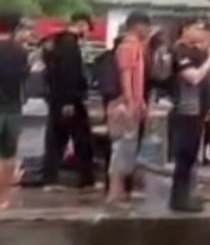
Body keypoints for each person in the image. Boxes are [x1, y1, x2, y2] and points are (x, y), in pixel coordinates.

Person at [169, 18, 210, 213]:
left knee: (192, 156)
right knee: (184, 156)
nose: (202, 32)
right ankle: (178, 198)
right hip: (186, 109)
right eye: (198, 29)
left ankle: (187, 194)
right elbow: (193, 77)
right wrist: (209, 59)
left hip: (199, 110)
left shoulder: (196, 52)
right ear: (185, 29)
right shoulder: (179, 50)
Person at [40, 12, 95, 189]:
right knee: (81, 139)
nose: (87, 33)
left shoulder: (55, 43)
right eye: (87, 28)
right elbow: (68, 73)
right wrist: (69, 101)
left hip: (57, 98)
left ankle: (50, 178)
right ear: (81, 24)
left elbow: (51, 73)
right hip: (70, 99)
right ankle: (86, 179)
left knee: (56, 138)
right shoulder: (70, 44)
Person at [106, 11, 151, 206]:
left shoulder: (137, 47)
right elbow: (126, 75)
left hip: (132, 102)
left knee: (127, 149)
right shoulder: (128, 47)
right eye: (146, 26)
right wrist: (131, 100)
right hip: (124, 105)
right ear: (137, 26)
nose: (148, 31)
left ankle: (120, 189)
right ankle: (114, 191)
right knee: (121, 148)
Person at [0, 12, 29, 209]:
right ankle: (3, 198)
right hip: (13, 108)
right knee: (8, 156)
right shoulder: (20, 52)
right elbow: (24, 77)